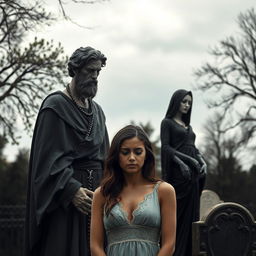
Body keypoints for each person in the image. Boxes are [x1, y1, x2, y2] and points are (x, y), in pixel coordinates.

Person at [24, 46, 109, 256]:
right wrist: (71, 190)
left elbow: (107, 159)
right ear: (75, 70)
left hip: (96, 201)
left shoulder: (98, 112)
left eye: (98, 72)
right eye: (90, 71)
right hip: (65, 204)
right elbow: (45, 163)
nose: (95, 77)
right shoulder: (54, 107)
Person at [90, 125, 176, 256]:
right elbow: (95, 246)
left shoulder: (164, 191)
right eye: (125, 152)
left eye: (138, 152)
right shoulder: (102, 194)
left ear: (146, 154)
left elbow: (169, 244)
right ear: (116, 155)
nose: (131, 157)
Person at [160, 89, 207, 256]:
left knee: (192, 216)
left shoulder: (189, 126)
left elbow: (192, 147)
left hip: (193, 177)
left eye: (189, 103)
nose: (187, 105)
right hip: (180, 177)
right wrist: (183, 163)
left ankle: (190, 251)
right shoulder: (167, 123)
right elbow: (166, 148)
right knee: (178, 217)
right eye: (184, 101)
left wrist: (202, 160)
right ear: (176, 102)